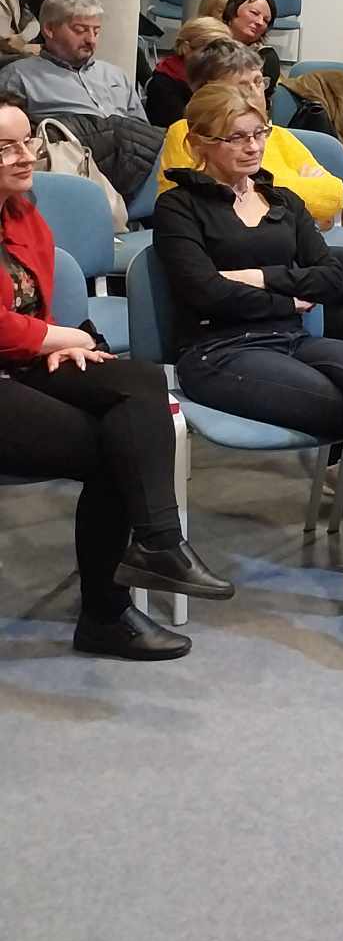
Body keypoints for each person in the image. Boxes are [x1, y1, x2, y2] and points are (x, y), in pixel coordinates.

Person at [155, 82, 343, 628]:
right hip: (218, 350)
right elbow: (203, 292)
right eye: (235, 138)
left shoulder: (284, 202)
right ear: (200, 144)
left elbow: (332, 276)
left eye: (259, 133)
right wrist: (286, 294)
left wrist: (257, 277)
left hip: (288, 339)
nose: (252, 147)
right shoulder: (178, 206)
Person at [0, 89, 234, 659]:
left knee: (140, 382)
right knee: (117, 447)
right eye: (5, 148)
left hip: (23, 362)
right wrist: (61, 338)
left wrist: (54, 341)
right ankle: (106, 614)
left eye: (26, 141)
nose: (26, 155)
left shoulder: (23, 212)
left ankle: (158, 543)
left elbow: (30, 309)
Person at [1, 0, 163, 201]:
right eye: (80, 30)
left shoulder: (115, 75)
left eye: (96, 31)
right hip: (73, 165)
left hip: (135, 167)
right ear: (49, 29)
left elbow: (142, 129)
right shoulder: (18, 76)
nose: (91, 40)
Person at [159, 42, 343, 228]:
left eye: (258, 81)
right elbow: (195, 199)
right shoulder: (189, 133)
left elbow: (334, 195)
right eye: (243, 85)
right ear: (211, 91)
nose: (256, 92)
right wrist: (301, 184)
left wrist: (262, 189)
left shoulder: (276, 134)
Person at [144, 15, 232, 127]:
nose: (218, 57)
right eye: (209, 50)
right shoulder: (163, 85)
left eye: (223, 51)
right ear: (186, 48)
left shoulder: (222, 77)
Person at [221, 0, 282, 92]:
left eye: (266, 20)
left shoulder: (267, 57)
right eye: (254, 13)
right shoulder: (208, 45)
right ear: (232, 10)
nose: (260, 22)